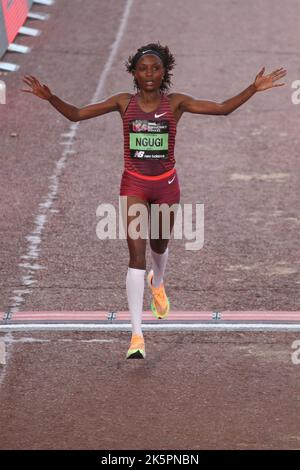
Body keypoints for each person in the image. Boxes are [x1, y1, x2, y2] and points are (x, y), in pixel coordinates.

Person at [21, 42, 287, 360]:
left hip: (166, 188)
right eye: (143, 68)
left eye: (155, 68)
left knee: (159, 245)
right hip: (134, 185)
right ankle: (136, 335)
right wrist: (49, 97)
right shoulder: (123, 103)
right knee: (136, 255)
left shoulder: (176, 103)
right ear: (133, 72)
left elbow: (222, 108)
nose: (149, 73)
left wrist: (253, 88)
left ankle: (157, 283)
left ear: (165, 72)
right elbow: (77, 115)